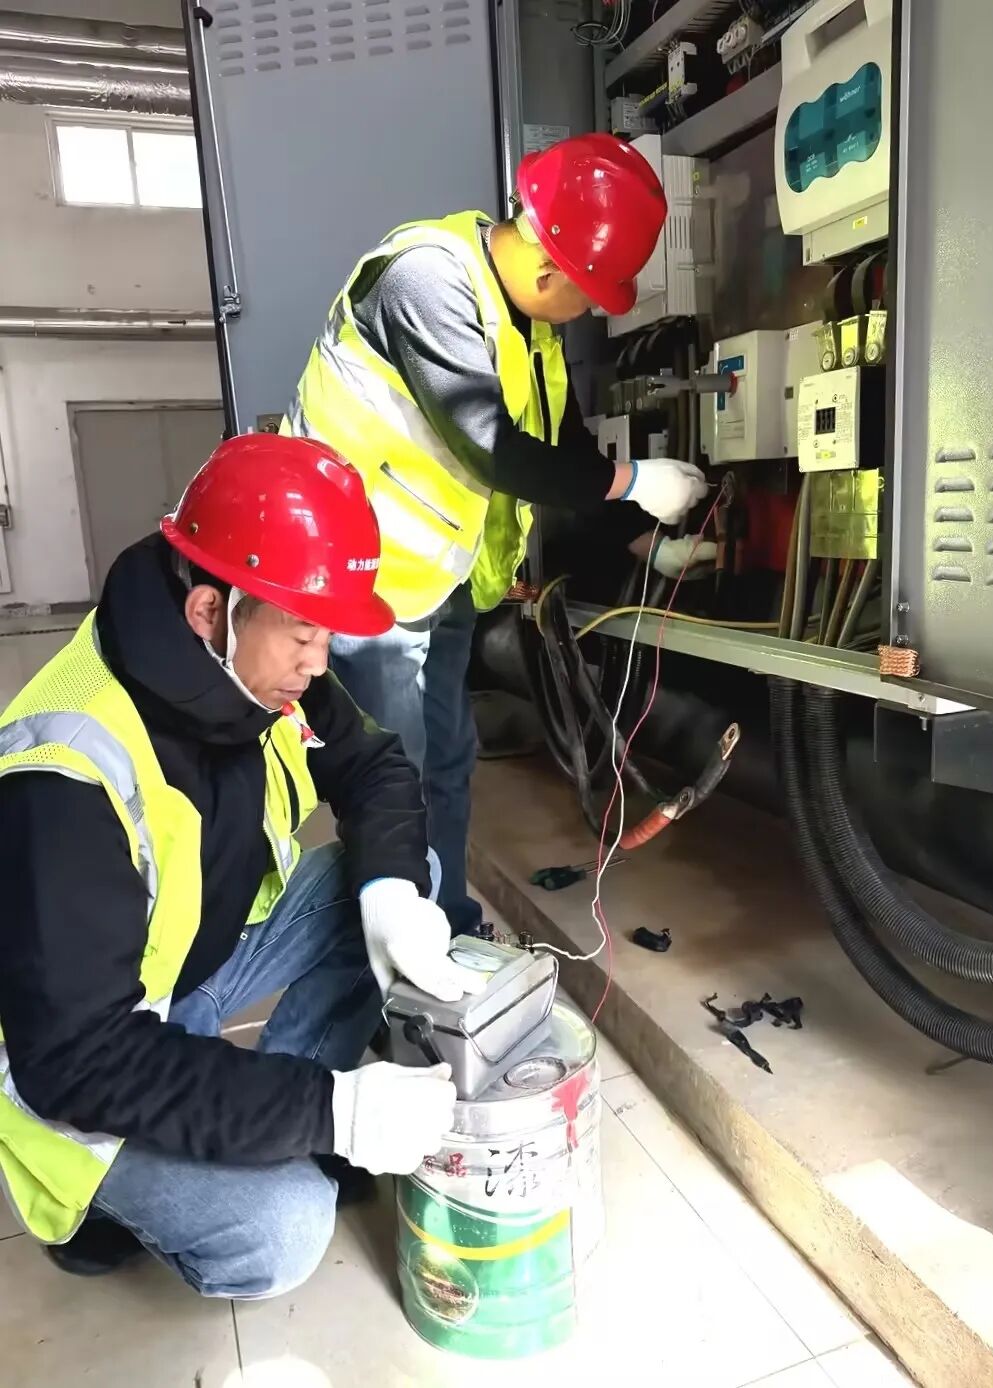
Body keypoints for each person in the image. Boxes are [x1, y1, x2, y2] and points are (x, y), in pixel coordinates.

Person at [0, 433, 480, 1298]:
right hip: (82, 1053)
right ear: (208, 612)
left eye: (325, 633)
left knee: (412, 878)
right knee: (282, 1232)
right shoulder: (63, 778)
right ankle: (110, 1210)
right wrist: (329, 1111)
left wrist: (391, 896)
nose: (319, 662)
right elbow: (77, 1058)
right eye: (304, 633)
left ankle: (281, 1111)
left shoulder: (257, 658)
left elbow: (374, 766)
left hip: (196, 964)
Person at [284, 132, 710, 937]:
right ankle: (393, 961)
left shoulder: (532, 327)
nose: (588, 313)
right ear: (551, 271)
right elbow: (491, 444)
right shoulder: (424, 283)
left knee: (447, 762)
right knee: (395, 779)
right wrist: (635, 481)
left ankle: (443, 922)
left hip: (439, 584)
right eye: (590, 296)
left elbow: (566, 450)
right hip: (366, 586)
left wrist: (645, 539)